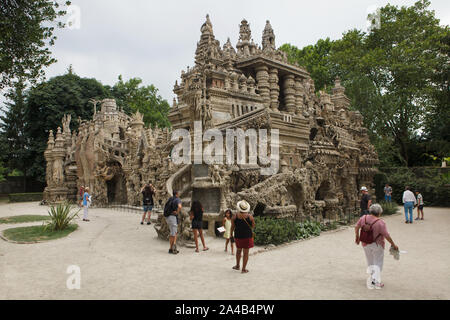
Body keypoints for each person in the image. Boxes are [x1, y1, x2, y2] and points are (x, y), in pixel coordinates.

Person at [355, 203, 399, 289]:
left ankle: (372, 278)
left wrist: (357, 237)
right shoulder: (380, 222)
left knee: (370, 261)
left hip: (365, 243)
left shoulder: (363, 218)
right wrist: (393, 244)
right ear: (379, 213)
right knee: (378, 262)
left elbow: (356, 227)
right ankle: (375, 281)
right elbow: (386, 235)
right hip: (377, 244)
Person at [231, 200, 255, 274]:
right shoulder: (250, 216)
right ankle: (243, 269)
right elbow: (253, 226)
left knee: (238, 251)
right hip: (247, 236)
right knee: (246, 253)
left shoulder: (234, 216)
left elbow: (232, 227)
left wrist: (230, 234)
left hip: (238, 236)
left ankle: (237, 265)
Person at [165, 190, 182, 254]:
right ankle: (174, 247)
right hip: (172, 217)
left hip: (167, 217)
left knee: (172, 233)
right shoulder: (177, 199)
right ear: (177, 194)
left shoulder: (170, 198)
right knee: (174, 233)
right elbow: (180, 206)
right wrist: (177, 212)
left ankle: (170, 248)